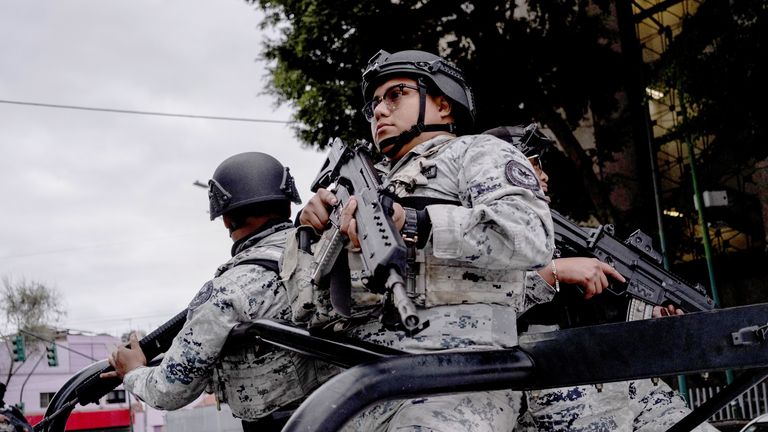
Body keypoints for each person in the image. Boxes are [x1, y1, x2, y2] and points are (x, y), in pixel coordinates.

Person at [297, 49, 554, 431]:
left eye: (396, 94)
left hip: (455, 379)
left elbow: (532, 235)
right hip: (361, 385)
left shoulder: (476, 152)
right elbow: (311, 310)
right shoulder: (362, 183)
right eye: (374, 105)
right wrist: (313, 231)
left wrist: (418, 221)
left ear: (443, 104)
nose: (380, 111)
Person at [484, 124, 718, 432]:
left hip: (630, 384)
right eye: (534, 163)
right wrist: (554, 273)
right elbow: (478, 314)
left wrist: (652, 316)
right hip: (562, 391)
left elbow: (606, 319)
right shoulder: (483, 235)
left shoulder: (565, 237)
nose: (544, 175)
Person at [101, 152, 336, 432]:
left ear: (226, 220)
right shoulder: (329, 253)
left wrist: (134, 372)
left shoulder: (230, 288)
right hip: (353, 413)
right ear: (287, 206)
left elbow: (169, 390)